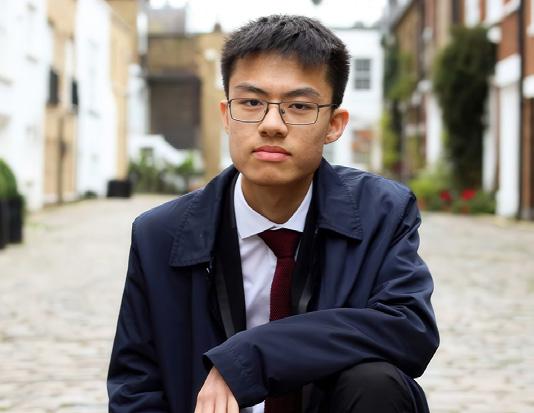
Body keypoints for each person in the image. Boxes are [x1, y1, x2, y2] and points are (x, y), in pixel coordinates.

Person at [107, 14, 439, 413]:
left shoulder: (381, 213)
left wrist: (250, 357)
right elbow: (136, 385)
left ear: (334, 124)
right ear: (226, 114)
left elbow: (409, 328)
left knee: (375, 381)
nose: (271, 125)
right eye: (251, 102)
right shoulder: (160, 234)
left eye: (298, 106)